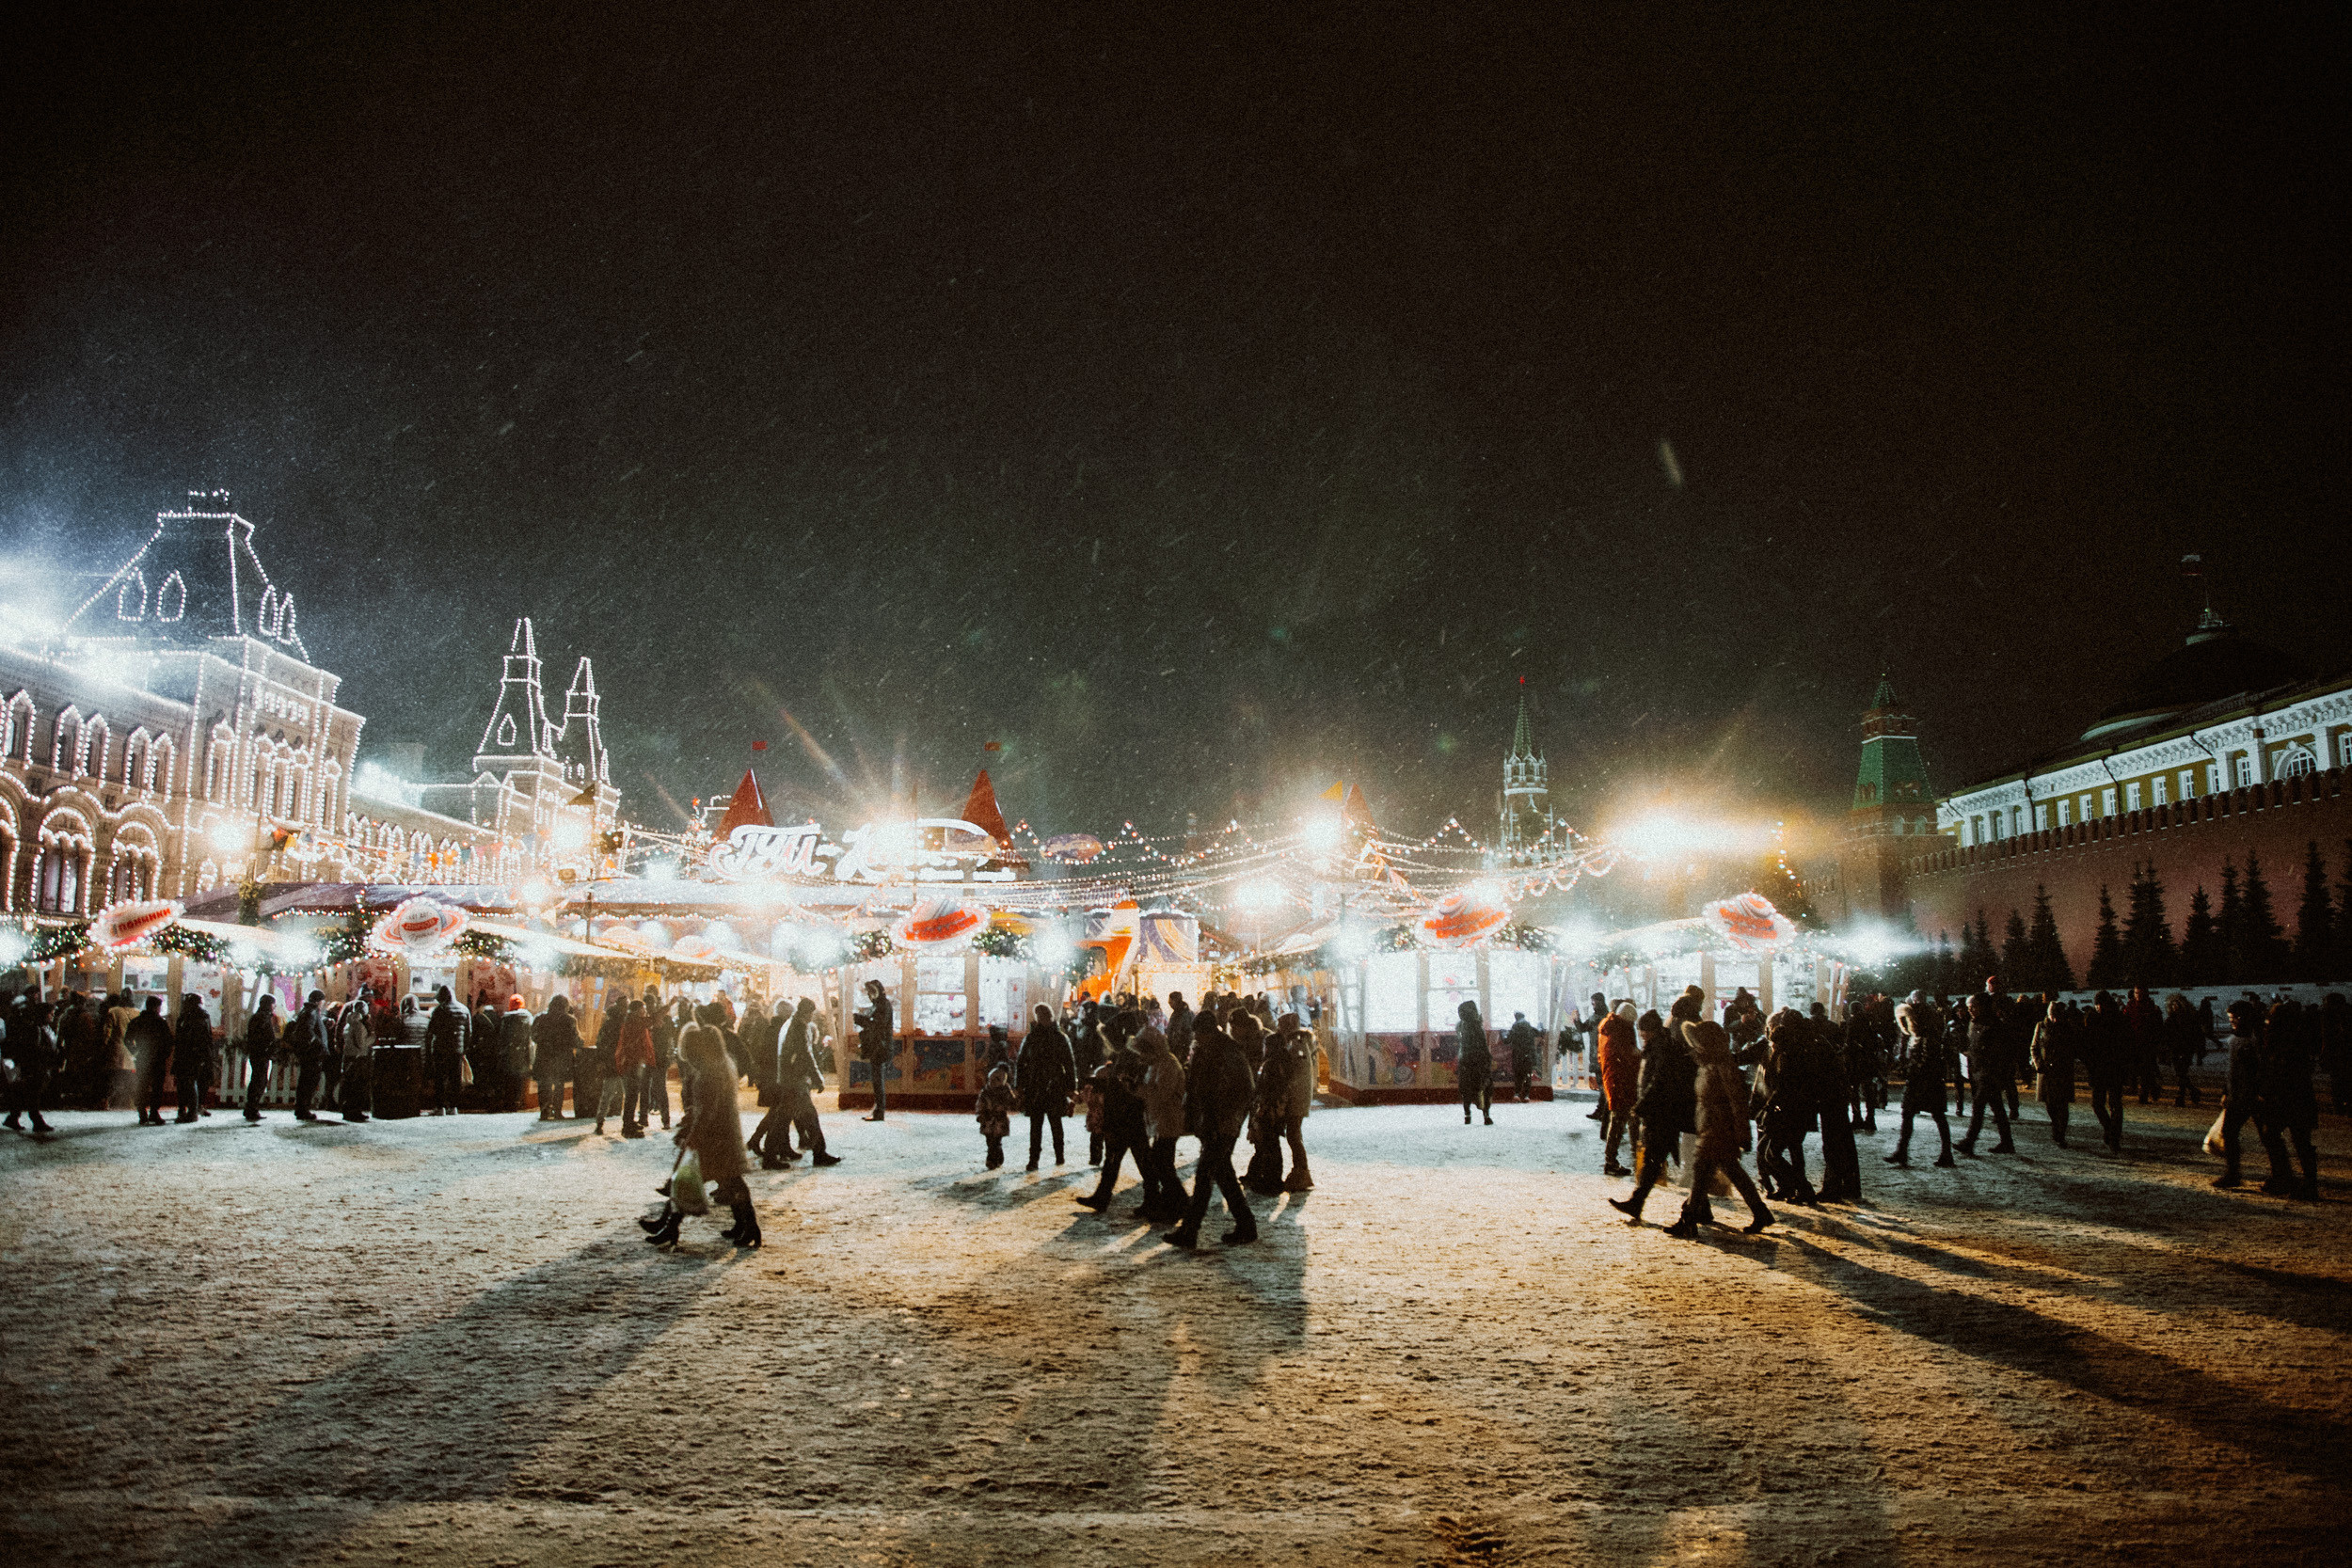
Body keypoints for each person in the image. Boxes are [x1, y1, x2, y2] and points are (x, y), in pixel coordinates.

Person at [643, 1006, 759, 1248]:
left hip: (713, 1137)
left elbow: (706, 1110)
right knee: (709, 1181)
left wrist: (694, 1134)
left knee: (691, 1180)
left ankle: (671, 1226)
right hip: (721, 1134)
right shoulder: (722, 1066)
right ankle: (745, 1226)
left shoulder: (709, 1072)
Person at [1664, 1018, 1773, 1237]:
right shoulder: (1709, 1064)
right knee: (1728, 1173)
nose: (1695, 1046)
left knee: (1701, 1173)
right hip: (1711, 1128)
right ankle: (1760, 1213)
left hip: (1719, 1130)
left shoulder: (1722, 1065)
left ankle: (1689, 1220)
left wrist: (1742, 1133)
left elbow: (1737, 1101)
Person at [1165, 1005, 1256, 1250]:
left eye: (1198, 1034)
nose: (1195, 1038)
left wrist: (1221, 1120)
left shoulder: (1223, 1051)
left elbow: (1232, 1091)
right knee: (1221, 1174)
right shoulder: (1213, 1048)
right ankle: (1246, 1226)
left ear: (1206, 1031)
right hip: (1214, 1123)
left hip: (1220, 1124)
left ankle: (1189, 1230)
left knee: (1205, 1176)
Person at [1077, 1020, 1152, 1213]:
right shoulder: (1125, 1056)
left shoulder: (1127, 1058)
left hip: (1125, 1118)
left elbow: (1123, 1090)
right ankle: (1104, 1196)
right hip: (1128, 1116)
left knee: (1129, 1159)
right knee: (1123, 1160)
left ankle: (1152, 1198)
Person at [1753, 1008, 1821, 1206]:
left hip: (1789, 1111)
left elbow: (1783, 1085)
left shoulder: (1787, 1055)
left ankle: (1801, 1187)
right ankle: (1794, 1187)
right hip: (1797, 1110)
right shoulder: (1800, 1047)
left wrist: (1769, 1106)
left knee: (1771, 1152)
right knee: (1788, 1150)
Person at [1884, 993, 1953, 1168]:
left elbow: (1927, 1062)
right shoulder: (1918, 1036)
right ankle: (1902, 1152)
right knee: (1910, 1115)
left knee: (1937, 1117)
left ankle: (1946, 1153)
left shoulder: (1929, 1038)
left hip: (1927, 1082)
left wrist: (1910, 1072)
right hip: (1919, 1082)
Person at [2264, 1001, 2321, 1200]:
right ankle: (2305, 1182)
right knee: (2300, 1141)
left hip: (2286, 1098)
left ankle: (2287, 1178)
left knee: (2276, 1136)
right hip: (2299, 1098)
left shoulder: (2280, 1041)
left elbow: (2278, 1070)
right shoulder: (2298, 1038)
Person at [1137, 1020, 1189, 1221]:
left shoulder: (1167, 1064)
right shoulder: (1158, 1063)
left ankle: (1179, 1203)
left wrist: (1137, 1090)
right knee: (1161, 1164)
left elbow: (1160, 1094)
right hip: (1160, 1121)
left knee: (1163, 1165)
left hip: (1169, 1121)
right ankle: (1171, 1203)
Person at [1015, 1003, 1075, 1170]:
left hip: (1041, 1086)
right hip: (1048, 1085)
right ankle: (1051, 1157)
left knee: (1043, 1124)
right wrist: (1071, 1086)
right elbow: (1069, 1065)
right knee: (1047, 1124)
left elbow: (1021, 1063)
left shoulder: (1034, 1038)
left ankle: (1042, 1158)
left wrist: (1020, 1086)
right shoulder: (1058, 1038)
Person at [1956, 994, 2016, 1156]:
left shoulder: (1994, 1025)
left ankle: (1969, 1141)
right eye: (1969, 1007)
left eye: (1973, 1006)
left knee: (1978, 1107)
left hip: (1989, 1074)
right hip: (1978, 1071)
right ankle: (2007, 1143)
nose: (1970, 1010)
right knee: (1997, 1109)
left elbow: (1999, 1052)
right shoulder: (1974, 1023)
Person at [4, 991, 59, 1135]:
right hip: (35, 1066)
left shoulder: (44, 1028)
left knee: (27, 1093)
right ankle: (36, 1121)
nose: (52, 1016)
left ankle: (13, 1117)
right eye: (50, 1013)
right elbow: (33, 1049)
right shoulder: (35, 1029)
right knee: (33, 1094)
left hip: (40, 1065)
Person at [2080, 990, 2129, 1153]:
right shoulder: (2094, 1019)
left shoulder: (2115, 1020)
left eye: (2100, 1004)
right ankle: (2112, 1132)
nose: (2098, 1007)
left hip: (2110, 1068)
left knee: (2111, 1104)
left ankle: (2113, 1136)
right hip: (2102, 1068)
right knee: (2100, 1104)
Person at [1597, 1002, 1639, 1177]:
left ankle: (1613, 1160)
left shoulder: (1609, 1027)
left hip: (1613, 1078)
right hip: (1621, 1080)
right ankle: (1611, 1161)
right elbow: (1628, 1055)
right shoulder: (1621, 1031)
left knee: (1620, 1117)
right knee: (1620, 1119)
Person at [2031, 1001, 2078, 1147]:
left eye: (2057, 1015)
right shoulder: (2041, 1026)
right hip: (2046, 1071)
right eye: (2052, 1015)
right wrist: (2038, 1063)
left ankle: (2060, 1134)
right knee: (2050, 1104)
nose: (2055, 1019)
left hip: (2062, 1070)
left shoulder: (2067, 1027)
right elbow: (2034, 1047)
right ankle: (2055, 1126)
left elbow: (2073, 1047)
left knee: (2062, 1104)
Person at [532, 994, 580, 1120]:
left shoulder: (540, 1018)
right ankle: (557, 1111)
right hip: (561, 1057)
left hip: (544, 1057)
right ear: (565, 1006)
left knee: (544, 1085)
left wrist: (546, 1041)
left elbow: (534, 1037)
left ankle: (544, 1112)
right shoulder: (569, 1020)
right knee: (559, 1085)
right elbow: (575, 1040)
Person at [126, 996, 172, 1125]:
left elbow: (128, 1039)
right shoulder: (160, 1022)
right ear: (156, 1007)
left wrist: (135, 1051)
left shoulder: (137, 1021)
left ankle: (142, 1113)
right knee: (157, 1087)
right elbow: (168, 1041)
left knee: (142, 1085)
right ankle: (154, 1113)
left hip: (142, 1057)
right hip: (158, 1058)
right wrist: (165, 1054)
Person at [423, 986, 468, 1117]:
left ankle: (440, 1107)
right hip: (457, 1049)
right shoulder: (464, 1009)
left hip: (441, 1049)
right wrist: (464, 1048)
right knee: (455, 1079)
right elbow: (469, 1032)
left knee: (440, 1079)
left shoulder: (439, 1010)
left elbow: (431, 1031)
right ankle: (453, 1107)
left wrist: (429, 1048)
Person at [238, 993, 282, 1121]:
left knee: (257, 1079)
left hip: (257, 1052)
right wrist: (270, 1047)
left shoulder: (257, 1017)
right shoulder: (263, 1018)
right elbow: (265, 1036)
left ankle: (251, 1107)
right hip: (261, 1053)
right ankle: (252, 1108)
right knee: (259, 1080)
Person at [615, 1000, 656, 1139]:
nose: (644, 1012)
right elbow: (653, 1020)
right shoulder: (634, 1021)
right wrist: (670, 1005)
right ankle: (627, 1126)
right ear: (638, 1010)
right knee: (632, 1095)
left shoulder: (631, 1020)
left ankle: (629, 1122)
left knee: (632, 1095)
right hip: (632, 1062)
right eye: (643, 1009)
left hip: (633, 1062)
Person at [170, 993, 214, 1123]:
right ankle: (189, 1110)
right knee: (189, 1083)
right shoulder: (201, 1016)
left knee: (187, 1083)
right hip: (195, 1055)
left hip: (189, 1054)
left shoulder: (188, 1017)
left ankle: (189, 1111)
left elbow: (184, 1037)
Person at [856, 978, 894, 1121]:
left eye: (871, 992)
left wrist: (859, 1019)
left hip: (880, 1047)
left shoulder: (882, 1005)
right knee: (877, 1079)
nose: (869, 995)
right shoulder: (881, 1004)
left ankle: (879, 1111)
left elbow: (877, 1025)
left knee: (878, 1080)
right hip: (879, 1046)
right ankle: (878, 1109)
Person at [977, 1034, 1015, 1169]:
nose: (992, 1083)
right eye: (991, 1080)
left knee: (996, 1142)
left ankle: (992, 1160)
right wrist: (980, 1114)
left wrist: (1010, 1102)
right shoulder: (986, 1092)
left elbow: (1011, 1101)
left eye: (996, 1080)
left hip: (999, 1120)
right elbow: (980, 1103)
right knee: (990, 1141)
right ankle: (997, 1157)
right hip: (988, 1120)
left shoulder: (1005, 1090)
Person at [2161, 994, 2204, 1107]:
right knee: (2180, 1074)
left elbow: (2198, 1035)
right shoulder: (2171, 1019)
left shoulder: (2190, 1019)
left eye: (2177, 1004)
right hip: (2175, 1049)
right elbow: (2165, 1035)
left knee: (2181, 1073)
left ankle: (2181, 1097)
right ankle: (2193, 1091)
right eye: (2173, 1004)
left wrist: (2199, 1051)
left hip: (2186, 1049)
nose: (2175, 1006)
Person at [1455, 1000, 1493, 1126]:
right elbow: (1483, 1045)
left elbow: (1461, 1042)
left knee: (1465, 1088)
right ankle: (1486, 1114)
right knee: (1483, 1086)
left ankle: (1467, 1115)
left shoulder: (1460, 1025)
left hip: (1465, 1061)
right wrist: (1487, 1059)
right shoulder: (1477, 1026)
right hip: (1478, 1061)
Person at [337, 997, 374, 1120]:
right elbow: (361, 1044)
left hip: (348, 1057)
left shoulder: (348, 1024)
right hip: (358, 1058)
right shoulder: (359, 1025)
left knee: (349, 1085)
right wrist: (372, 1038)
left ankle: (348, 1110)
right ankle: (354, 1111)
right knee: (357, 1086)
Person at [1504, 1011, 1538, 1102]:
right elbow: (1538, 1033)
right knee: (1528, 1075)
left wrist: (1503, 1034)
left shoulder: (1515, 1026)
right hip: (1529, 1054)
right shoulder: (1529, 1026)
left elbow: (1507, 1040)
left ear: (1516, 1017)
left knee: (1518, 1075)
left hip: (1518, 1054)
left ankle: (1517, 1094)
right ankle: (1526, 1095)